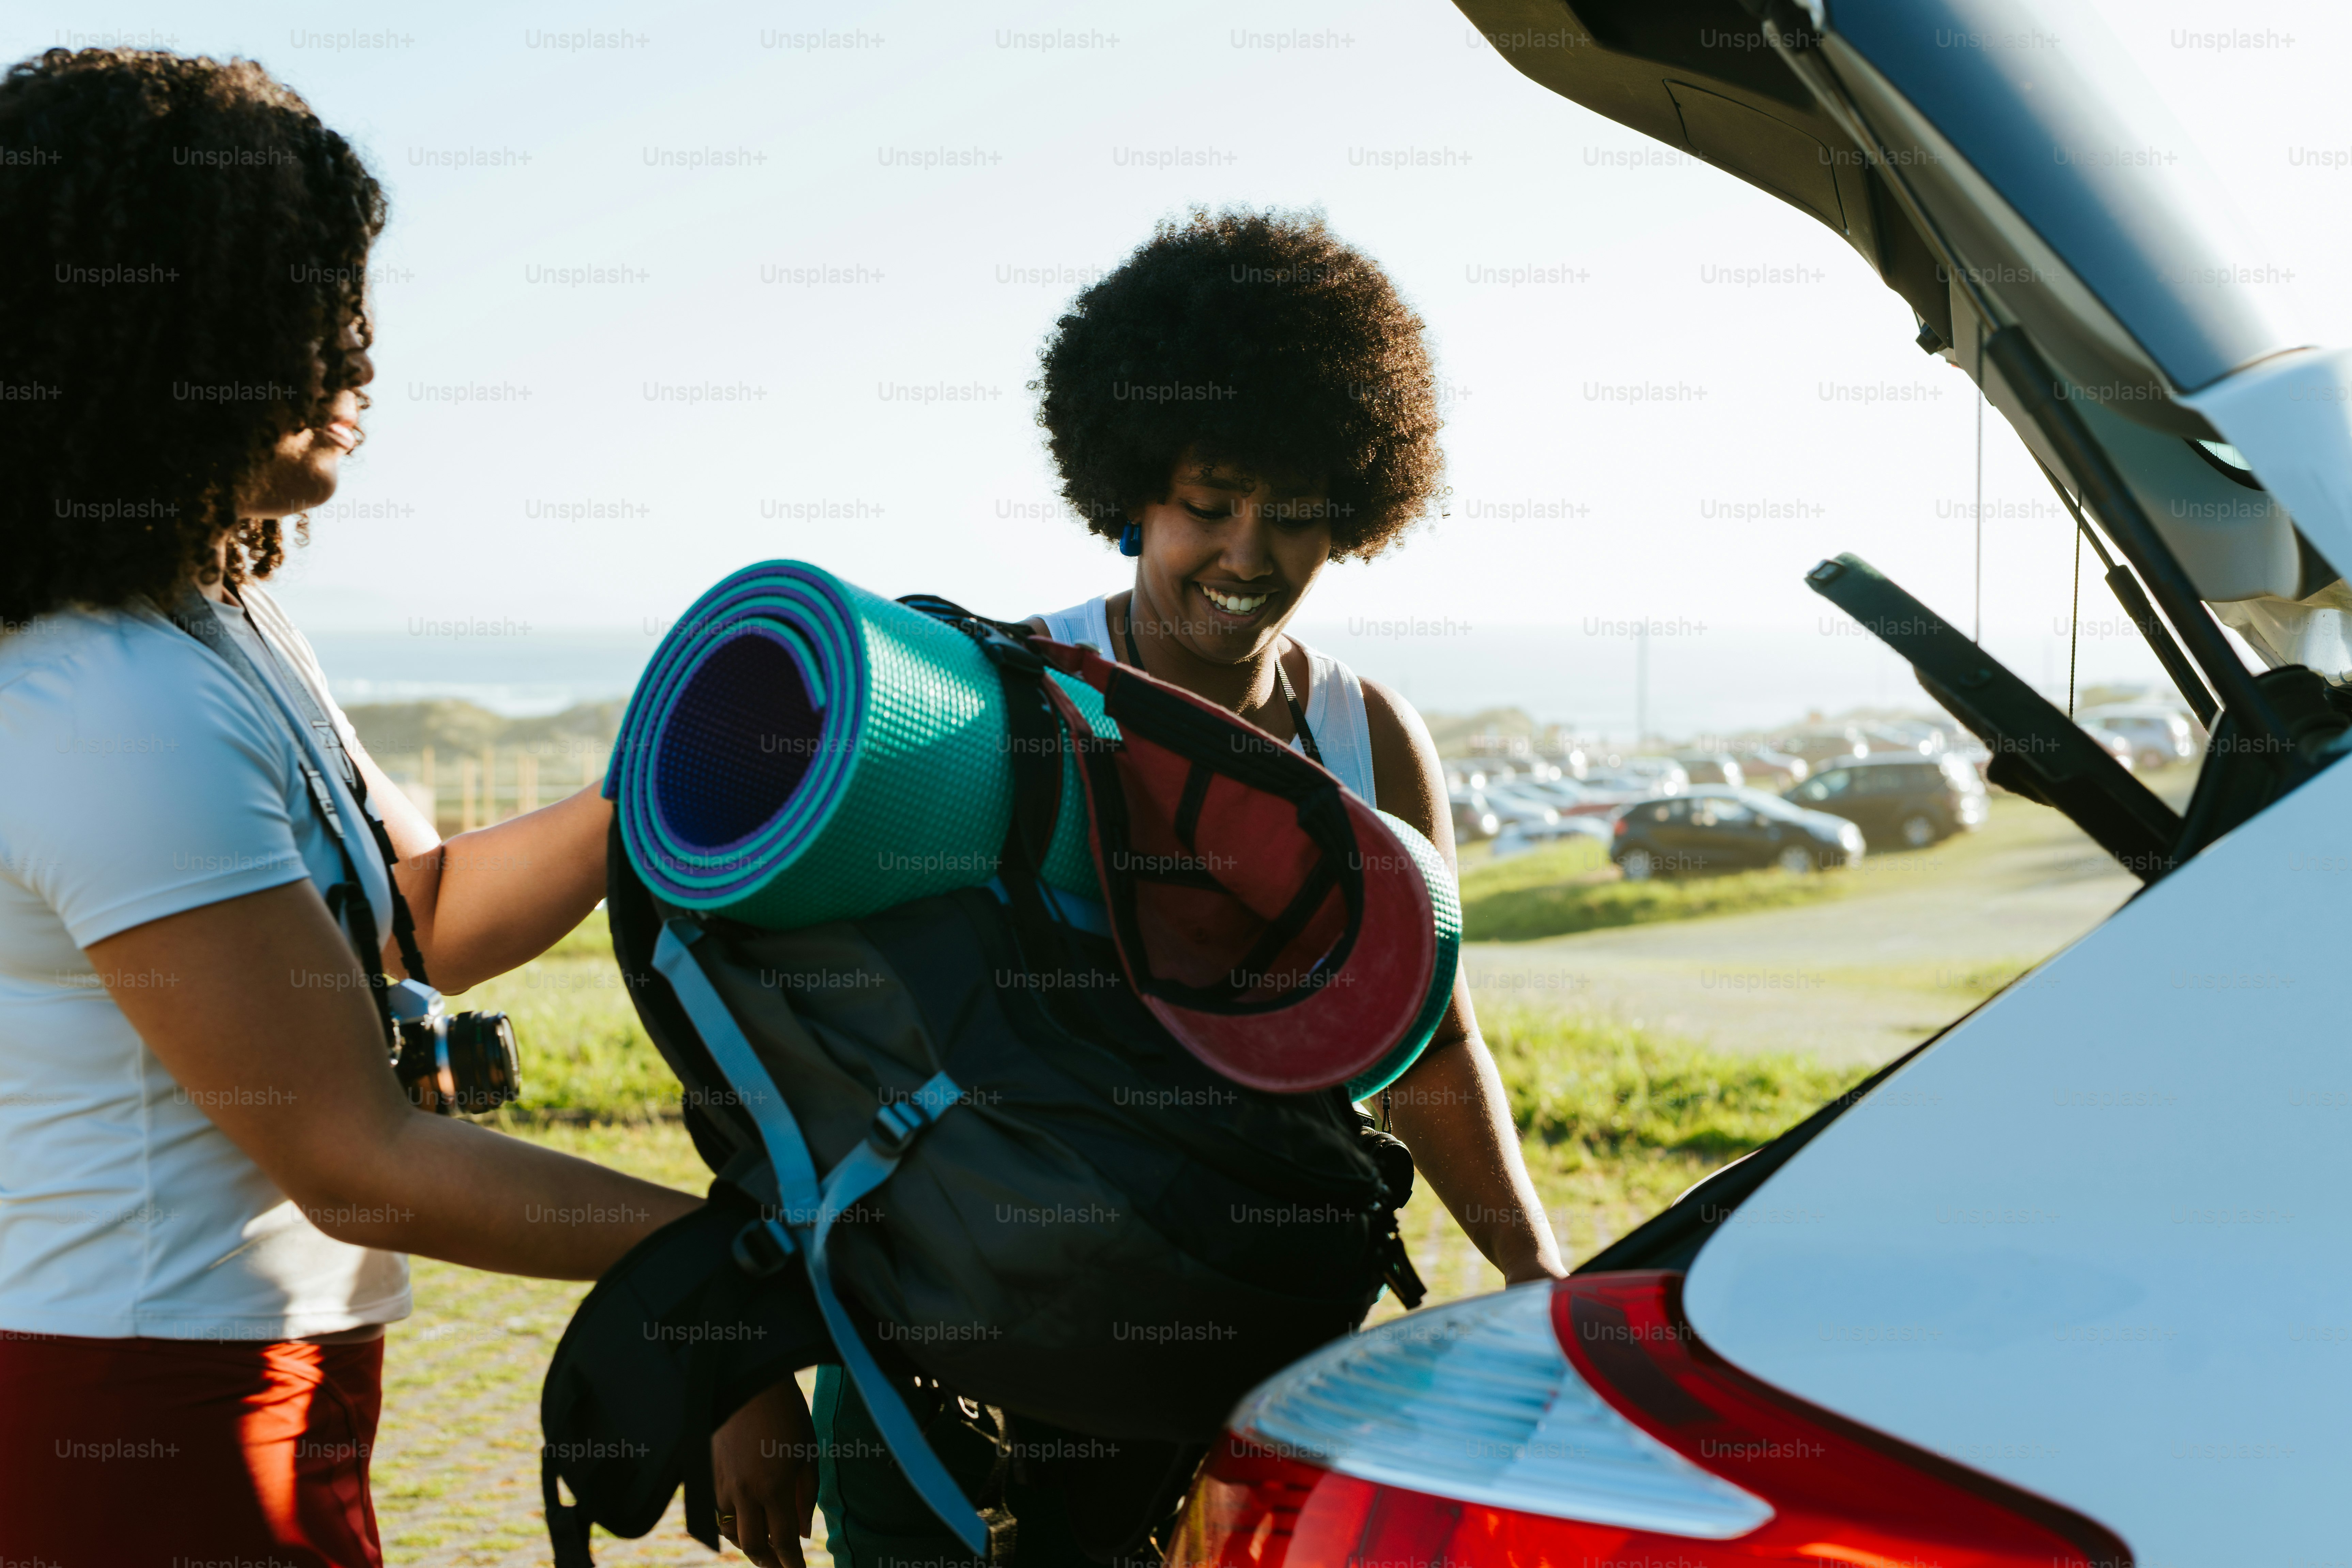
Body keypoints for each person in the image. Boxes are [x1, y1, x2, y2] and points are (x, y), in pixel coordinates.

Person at [709, 209, 1565, 1568]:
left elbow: (1428, 1042)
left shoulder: (1365, 740)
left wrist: (1538, 1279)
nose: (1247, 552)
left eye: (1293, 513)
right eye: (1208, 502)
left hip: (1239, 1340)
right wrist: (744, 1364)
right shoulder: (992, 700)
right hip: (948, 1351)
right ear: (1129, 494)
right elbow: (806, 1028)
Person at [0, 49, 704, 1566]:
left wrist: (669, 772)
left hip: (277, 1371)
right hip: (134, 1397)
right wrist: (740, 1268)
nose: (357, 354)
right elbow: (356, 1153)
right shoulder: (103, 699)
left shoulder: (219, 622)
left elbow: (421, 918)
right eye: (302, 302)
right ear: (148, 330)